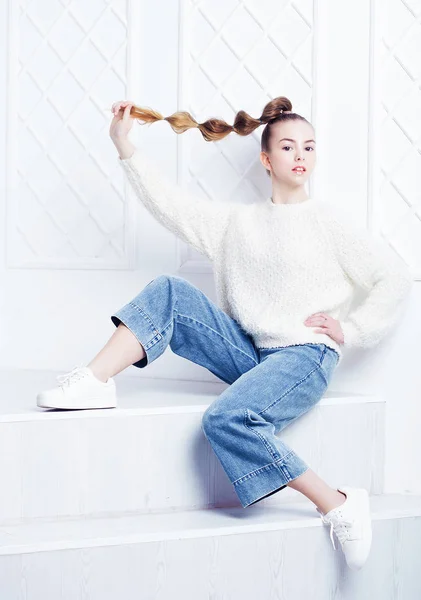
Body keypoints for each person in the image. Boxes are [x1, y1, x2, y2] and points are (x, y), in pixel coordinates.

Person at [36, 96, 412, 570]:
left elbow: (392, 278)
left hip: (304, 356)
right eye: (290, 147)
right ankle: (94, 380)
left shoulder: (327, 221)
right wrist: (124, 145)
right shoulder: (238, 223)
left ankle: (337, 501)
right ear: (266, 158)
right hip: (253, 353)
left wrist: (352, 328)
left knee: (225, 419)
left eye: (310, 147)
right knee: (170, 291)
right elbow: (170, 206)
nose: (301, 156)